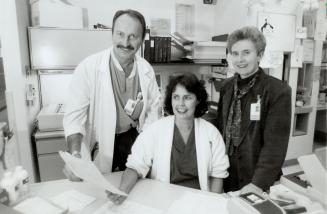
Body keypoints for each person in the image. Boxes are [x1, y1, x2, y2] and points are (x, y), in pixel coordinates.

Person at [63, 9, 161, 179]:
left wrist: (146, 144)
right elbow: (74, 118)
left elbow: (154, 111)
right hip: (101, 140)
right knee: (99, 191)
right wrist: (74, 154)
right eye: (120, 34)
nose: (125, 42)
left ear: (142, 38)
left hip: (133, 139)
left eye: (133, 36)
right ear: (112, 34)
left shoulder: (146, 70)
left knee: (135, 187)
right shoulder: (89, 67)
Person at [106, 73, 229, 204]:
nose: (180, 104)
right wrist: (122, 191)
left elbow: (218, 175)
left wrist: (213, 205)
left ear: (198, 100)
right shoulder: (155, 130)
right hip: (165, 200)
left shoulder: (211, 133)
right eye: (176, 97)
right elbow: (135, 165)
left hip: (199, 202)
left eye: (187, 97)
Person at [216, 26, 291, 195]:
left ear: (259, 54)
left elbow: (275, 145)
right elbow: (221, 127)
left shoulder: (277, 91)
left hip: (258, 179)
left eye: (246, 52)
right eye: (235, 53)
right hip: (228, 174)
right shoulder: (226, 86)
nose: (240, 59)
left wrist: (258, 183)